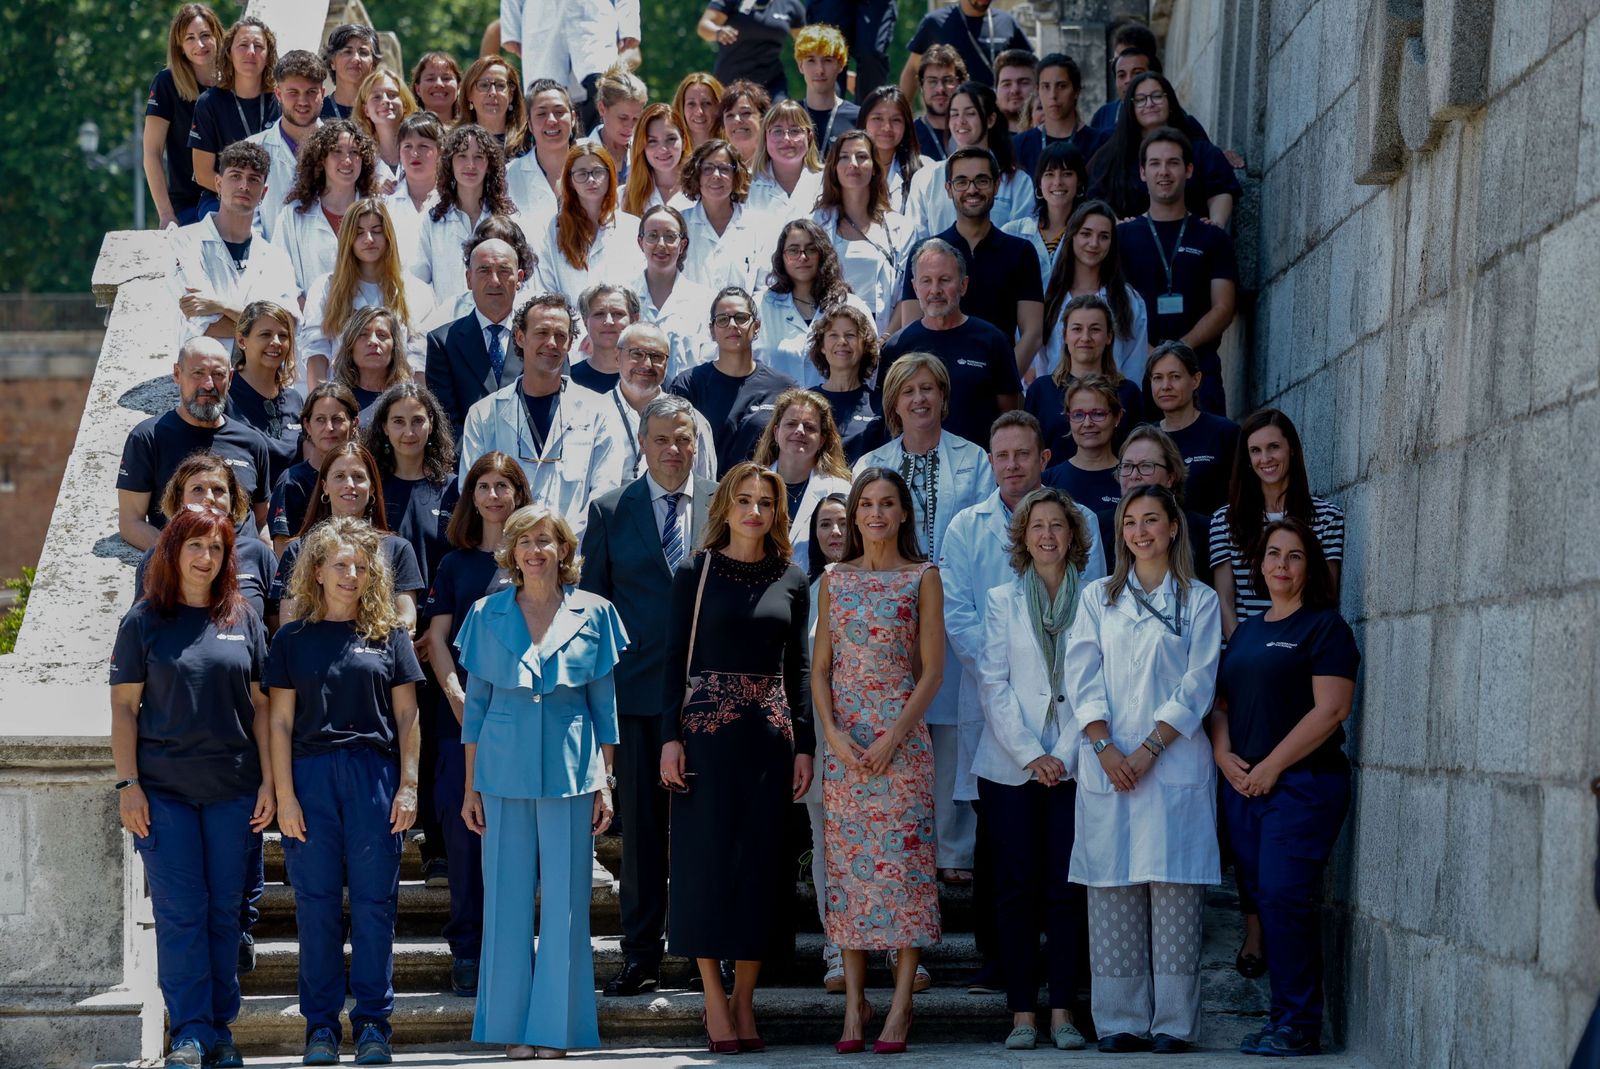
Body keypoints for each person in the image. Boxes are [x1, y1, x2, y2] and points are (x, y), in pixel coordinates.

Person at [939, 411, 1104, 995]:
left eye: (1022, 455)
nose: (1011, 466)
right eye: (1001, 456)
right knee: (1000, 853)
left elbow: (1098, 608)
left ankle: (1064, 978)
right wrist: (1003, 663)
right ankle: (1000, 966)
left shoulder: (1081, 522)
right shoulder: (965, 526)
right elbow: (956, 611)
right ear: (990, 462)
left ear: (1043, 460)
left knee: (1063, 864)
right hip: (997, 709)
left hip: (1074, 725)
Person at [453, 504, 626, 1058]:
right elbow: (475, 708)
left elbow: (606, 706)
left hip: (573, 774)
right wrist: (469, 787)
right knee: (503, 902)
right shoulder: (485, 612)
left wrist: (606, 781)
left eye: (545, 541)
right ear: (511, 551)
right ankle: (510, 1028)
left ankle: (558, 1030)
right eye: (524, 541)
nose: (534, 551)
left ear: (564, 550)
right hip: (500, 775)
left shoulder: (596, 613)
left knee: (568, 905)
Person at [658, 462, 814, 1053]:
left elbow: (798, 669)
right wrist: (670, 736)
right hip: (706, 736)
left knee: (760, 871)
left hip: (769, 741)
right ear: (724, 505)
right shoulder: (693, 572)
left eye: (766, 503)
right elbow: (675, 658)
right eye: (744, 500)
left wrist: (804, 744)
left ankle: (745, 1001)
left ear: (778, 512)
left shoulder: (792, 576)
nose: (755, 511)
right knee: (703, 866)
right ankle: (712, 1000)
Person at [1062, 484, 1222, 1055]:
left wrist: (1149, 749)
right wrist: (1105, 748)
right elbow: (1080, 678)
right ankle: (1120, 1021)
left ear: (1173, 527)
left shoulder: (1198, 600)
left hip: (1170, 760)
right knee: (1111, 889)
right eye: (1131, 522)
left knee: (1174, 888)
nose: (1141, 531)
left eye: (1152, 520)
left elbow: (1198, 683)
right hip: (1108, 763)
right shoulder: (1096, 599)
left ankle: (1174, 1024)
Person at [112, 505, 272, 1069]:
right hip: (165, 794)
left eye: (217, 548)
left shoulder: (244, 618)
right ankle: (189, 1030)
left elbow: (262, 708)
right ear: (172, 551)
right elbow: (125, 711)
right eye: (195, 547)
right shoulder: (144, 621)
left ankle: (220, 1029)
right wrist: (128, 784)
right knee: (182, 913)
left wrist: (271, 784)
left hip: (234, 789)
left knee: (226, 913)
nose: (206, 558)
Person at [266, 516, 424, 1067]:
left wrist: (409, 786)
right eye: (339, 564)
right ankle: (321, 1029)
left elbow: (408, 716)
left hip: (374, 777)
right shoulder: (291, 639)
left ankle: (375, 1025)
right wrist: (284, 797)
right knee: (315, 907)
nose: (350, 575)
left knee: (376, 905)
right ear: (316, 570)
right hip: (310, 778)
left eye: (360, 565)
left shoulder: (388, 635)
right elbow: (279, 724)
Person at [579, 395, 715, 997]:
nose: (673, 450)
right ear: (642, 442)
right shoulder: (611, 510)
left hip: (713, 695)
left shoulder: (723, 503)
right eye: (661, 439)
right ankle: (641, 956)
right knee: (639, 840)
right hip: (634, 699)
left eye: (683, 438)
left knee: (707, 831)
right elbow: (592, 610)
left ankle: (712, 951)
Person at [1209, 519, 1358, 1058]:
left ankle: (1299, 1024)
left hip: (1302, 786)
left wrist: (1271, 765)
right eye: (1273, 554)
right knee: (1263, 899)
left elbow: (1332, 709)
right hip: (1244, 787)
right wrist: (1223, 754)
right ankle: (1281, 1020)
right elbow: (1221, 704)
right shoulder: (1245, 632)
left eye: (1294, 556)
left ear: (1309, 567)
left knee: (1284, 897)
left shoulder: (1325, 629)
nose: (1281, 564)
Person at [811, 468, 943, 1054]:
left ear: (903, 513)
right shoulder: (833, 579)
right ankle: (854, 1009)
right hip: (846, 752)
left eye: (887, 504)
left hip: (903, 746)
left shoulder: (923, 577)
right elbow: (819, 670)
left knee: (906, 875)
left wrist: (893, 738)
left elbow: (933, 671)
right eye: (866, 503)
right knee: (849, 877)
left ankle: (901, 1005)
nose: (875, 514)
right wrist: (834, 739)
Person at [856, 353, 993, 888]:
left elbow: (984, 537)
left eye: (928, 389)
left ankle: (954, 847)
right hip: (892, 609)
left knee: (954, 728)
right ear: (893, 402)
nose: (919, 399)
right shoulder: (874, 462)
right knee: (899, 722)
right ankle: (906, 841)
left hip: (955, 606)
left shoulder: (975, 460)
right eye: (908, 390)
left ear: (943, 397)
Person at [973, 485, 1092, 1051]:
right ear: (1022, 538)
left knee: (1066, 890)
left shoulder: (1095, 598)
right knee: (1016, 889)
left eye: (1057, 526)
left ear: (1074, 536)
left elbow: (1096, 684)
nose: (1047, 535)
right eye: (1037, 526)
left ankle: (1064, 1011)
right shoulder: (1001, 599)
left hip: (1075, 766)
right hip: (1009, 767)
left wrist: (1062, 755)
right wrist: (1031, 754)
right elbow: (992, 683)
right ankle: (1022, 1012)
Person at [422, 452, 532, 1000]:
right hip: (459, 720)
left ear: (518, 494)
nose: (494, 496)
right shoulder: (454, 564)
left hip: (523, 721)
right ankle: (466, 948)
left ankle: (512, 948)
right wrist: (455, 693)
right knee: (465, 840)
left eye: (504, 486)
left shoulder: (532, 561)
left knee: (517, 839)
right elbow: (437, 637)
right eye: (484, 486)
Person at [456, 293, 627, 537]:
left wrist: (557, 543)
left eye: (560, 336)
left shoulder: (600, 412)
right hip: (504, 555)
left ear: (569, 343)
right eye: (542, 333)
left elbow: (604, 494)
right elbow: (473, 489)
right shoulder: (484, 414)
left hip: (575, 556)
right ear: (520, 337)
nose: (552, 343)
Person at [1117, 127, 1238, 415]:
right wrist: (1146, 352)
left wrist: (1179, 351)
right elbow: (1112, 301)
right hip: (1138, 370)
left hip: (1199, 369)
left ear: (1189, 170)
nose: (1164, 171)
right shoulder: (1121, 237)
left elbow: (1224, 307)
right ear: (1143, 172)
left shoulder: (1212, 237)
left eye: (1173, 163)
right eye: (1155, 163)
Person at [898, 147, 1043, 374]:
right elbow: (911, 330)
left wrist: (1003, 381)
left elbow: (1033, 334)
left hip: (999, 387)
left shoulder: (1021, 252)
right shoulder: (924, 253)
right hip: (936, 386)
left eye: (982, 181)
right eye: (961, 182)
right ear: (948, 189)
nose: (972, 189)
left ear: (996, 186)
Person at [118, 338, 271, 551]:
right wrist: (181, 558)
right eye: (198, 373)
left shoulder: (252, 442)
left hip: (246, 570)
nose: (208, 385)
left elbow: (262, 521)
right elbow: (130, 523)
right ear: (177, 374)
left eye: (218, 375)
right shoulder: (148, 438)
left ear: (230, 378)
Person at [1211, 408, 1345, 637]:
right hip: (1243, 653)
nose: (1265, 459)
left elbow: (1325, 597)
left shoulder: (1328, 517)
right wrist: (1244, 653)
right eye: (1255, 450)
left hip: (1301, 649)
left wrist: (1291, 653)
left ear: (1291, 449)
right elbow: (1225, 601)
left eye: (1273, 447)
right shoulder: (1224, 521)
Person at [880, 238, 1021, 448]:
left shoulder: (992, 341)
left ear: (963, 285)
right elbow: (888, 421)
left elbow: (1010, 417)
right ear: (915, 287)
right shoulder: (896, 347)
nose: (935, 290)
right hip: (914, 470)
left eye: (945, 279)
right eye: (926, 281)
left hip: (978, 471)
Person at [271, 442, 424, 632]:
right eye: (339, 476)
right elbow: (289, 624)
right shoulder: (298, 550)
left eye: (358, 477)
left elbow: (407, 621)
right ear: (325, 487)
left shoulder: (399, 549)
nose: (349, 485)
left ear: (373, 488)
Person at [169, 141, 298, 344]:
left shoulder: (276, 258)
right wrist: (263, 327)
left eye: (253, 179)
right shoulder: (184, 242)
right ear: (219, 184)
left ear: (263, 193)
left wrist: (222, 305)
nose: (244, 186)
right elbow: (204, 322)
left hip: (261, 375)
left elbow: (285, 325)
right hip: (207, 372)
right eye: (235, 176)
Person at [300, 198, 436, 385]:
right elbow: (316, 349)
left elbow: (418, 360)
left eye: (377, 231)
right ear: (348, 238)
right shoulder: (325, 287)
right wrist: (320, 405)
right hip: (341, 401)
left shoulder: (415, 291)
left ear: (389, 235)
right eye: (359, 233)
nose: (369, 239)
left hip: (394, 402)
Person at [668, 286, 797, 475]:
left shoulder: (783, 388)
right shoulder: (689, 384)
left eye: (741, 318)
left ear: (757, 327)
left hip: (762, 498)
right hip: (705, 496)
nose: (732, 325)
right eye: (722, 319)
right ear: (712, 331)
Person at [134, 452, 279, 619]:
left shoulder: (259, 555)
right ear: (180, 500)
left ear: (232, 501)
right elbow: (140, 623)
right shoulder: (156, 556)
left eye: (218, 490)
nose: (208, 498)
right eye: (197, 489)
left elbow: (276, 627)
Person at [1088, 72, 1240, 228]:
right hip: (1129, 244)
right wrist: (1117, 225)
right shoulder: (1112, 154)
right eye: (1140, 99)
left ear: (1170, 102)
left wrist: (1216, 225)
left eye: (1157, 96)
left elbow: (1220, 188)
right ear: (1131, 109)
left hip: (1192, 241)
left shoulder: (1199, 150)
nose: (1149, 104)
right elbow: (1096, 199)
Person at [426, 235, 527, 442]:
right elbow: (446, 423)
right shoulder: (443, 343)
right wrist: (479, 469)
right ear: (468, 278)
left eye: (504, 271)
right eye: (484, 271)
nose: (495, 281)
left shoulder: (540, 338)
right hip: (471, 467)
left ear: (519, 279)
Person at [1037, 199, 1149, 384]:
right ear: (1072, 236)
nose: (1094, 243)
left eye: (1104, 236)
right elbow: (1041, 364)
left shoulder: (1129, 300)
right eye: (1086, 234)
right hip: (1057, 404)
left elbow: (1134, 366)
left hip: (1112, 405)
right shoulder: (1048, 298)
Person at [811, 130, 912, 332]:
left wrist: (885, 340)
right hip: (830, 334)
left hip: (883, 333)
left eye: (862, 156)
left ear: (875, 167)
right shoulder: (816, 224)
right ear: (834, 168)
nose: (853, 164)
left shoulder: (900, 227)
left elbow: (906, 293)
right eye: (844, 157)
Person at [905, 85, 1034, 243]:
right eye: (954, 114)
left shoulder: (1018, 181)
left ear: (990, 119)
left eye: (970, 113)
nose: (961, 121)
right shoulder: (926, 178)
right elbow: (916, 240)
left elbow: (1021, 240)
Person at [411, 124, 520, 308]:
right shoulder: (433, 220)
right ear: (450, 163)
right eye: (462, 156)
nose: (471, 165)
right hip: (447, 326)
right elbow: (419, 280)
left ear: (489, 164)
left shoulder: (507, 219)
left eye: (479, 157)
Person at [365, 382, 458, 591]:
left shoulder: (453, 489)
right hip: (383, 614)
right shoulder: (369, 489)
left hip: (442, 616)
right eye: (399, 422)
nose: (409, 432)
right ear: (384, 427)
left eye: (417, 421)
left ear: (431, 424)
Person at [753, 219, 869, 386]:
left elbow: (870, 364)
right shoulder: (761, 306)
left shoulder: (851, 305)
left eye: (811, 249)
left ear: (823, 254)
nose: (802, 257)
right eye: (793, 250)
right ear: (782, 257)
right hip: (774, 408)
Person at [274, 119, 380, 299]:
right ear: (321, 159)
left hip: (368, 322)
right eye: (337, 152)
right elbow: (278, 275)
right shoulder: (293, 214)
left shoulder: (379, 211)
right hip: (311, 322)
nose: (347, 160)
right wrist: (306, 311)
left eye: (354, 152)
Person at [1026, 295, 1142, 458]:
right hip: (1054, 482)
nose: (1085, 338)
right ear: (1065, 336)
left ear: (1109, 337)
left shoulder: (1128, 392)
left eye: (1095, 329)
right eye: (1077, 329)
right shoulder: (1041, 390)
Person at [750, 388, 853, 565]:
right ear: (776, 432)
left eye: (809, 427)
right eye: (791, 424)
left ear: (821, 440)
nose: (799, 431)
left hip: (816, 590)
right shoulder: (749, 485)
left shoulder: (841, 490)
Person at [189, 16, 280, 214]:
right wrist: (242, 198)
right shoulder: (209, 103)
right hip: (221, 198)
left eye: (258, 46)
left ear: (268, 55)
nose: (251, 52)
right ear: (229, 52)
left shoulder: (281, 101)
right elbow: (203, 173)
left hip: (273, 198)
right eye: (243, 45)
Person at [1096, 425, 1211, 581]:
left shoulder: (1204, 531)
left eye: (1146, 466)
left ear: (1170, 477)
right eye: (1127, 466)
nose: (1134, 475)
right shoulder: (1098, 526)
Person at [532, 146, 645, 304]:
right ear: (570, 181)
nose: (591, 180)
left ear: (610, 175)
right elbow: (547, 284)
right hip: (570, 325)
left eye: (598, 172)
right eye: (582, 174)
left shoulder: (632, 227)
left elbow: (640, 286)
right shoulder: (556, 227)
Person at [144, 4, 223, 229]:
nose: (199, 45)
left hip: (232, 200)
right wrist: (166, 214)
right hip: (187, 207)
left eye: (205, 35)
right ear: (180, 46)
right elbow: (152, 153)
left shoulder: (233, 81)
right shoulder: (166, 84)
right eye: (190, 38)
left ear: (218, 36)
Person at [606, 324, 719, 480]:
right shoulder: (593, 415)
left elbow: (705, 489)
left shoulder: (691, 420)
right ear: (617, 357)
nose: (647, 364)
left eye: (657, 356)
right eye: (637, 354)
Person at [1146, 340, 1239, 516]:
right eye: (1158, 378)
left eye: (1175, 376)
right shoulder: (1145, 438)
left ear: (1195, 380)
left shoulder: (1225, 433)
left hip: (1212, 539)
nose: (1166, 386)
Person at [248, 51, 329, 242]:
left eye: (311, 92)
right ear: (278, 93)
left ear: (323, 94)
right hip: (270, 263)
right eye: (293, 92)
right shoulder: (253, 149)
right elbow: (247, 220)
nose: (303, 101)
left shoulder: (343, 149)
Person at [269, 383, 359, 552]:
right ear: (307, 426)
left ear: (354, 424)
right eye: (320, 420)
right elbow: (283, 551)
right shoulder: (292, 482)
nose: (329, 428)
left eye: (337, 419)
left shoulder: (365, 478)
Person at [631, 205, 718, 379]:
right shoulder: (624, 298)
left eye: (670, 237)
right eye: (652, 236)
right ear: (641, 242)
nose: (661, 244)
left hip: (687, 400)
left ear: (683, 244)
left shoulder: (705, 300)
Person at [225, 299, 303, 483]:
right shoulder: (223, 395)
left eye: (283, 336)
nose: (276, 342)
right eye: (265, 334)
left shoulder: (295, 399)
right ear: (242, 340)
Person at [1003, 139, 1087, 301]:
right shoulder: (1013, 232)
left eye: (1067, 174)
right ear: (1039, 183)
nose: (1058, 182)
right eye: (1049, 174)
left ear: (1080, 182)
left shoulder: (1089, 233)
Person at [678, 139, 767, 293]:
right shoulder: (679, 224)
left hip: (744, 315)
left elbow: (763, 287)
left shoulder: (758, 226)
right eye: (707, 168)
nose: (716, 175)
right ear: (696, 175)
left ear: (736, 175)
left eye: (724, 169)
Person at [899, 0, 1032, 99]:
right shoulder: (935, 22)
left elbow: (1030, 67)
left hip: (999, 116)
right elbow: (912, 70)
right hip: (955, 119)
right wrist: (905, 115)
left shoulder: (1007, 22)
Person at [808, 303, 885, 463]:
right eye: (833, 335)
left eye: (850, 335)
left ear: (865, 344)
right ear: (822, 346)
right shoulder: (805, 403)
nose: (842, 341)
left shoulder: (879, 404)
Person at [1042, 375, 1125, 512]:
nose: (1087, 423)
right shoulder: (1047, 481)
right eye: (1078, 415)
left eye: (1098, 414)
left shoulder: (1130, 477)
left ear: (1117, 417)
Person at [1012, 53, 1103, 177]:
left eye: (1061, 86)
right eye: (1046, 87)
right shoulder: (1018, 145)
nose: (1053, 95)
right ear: (1038, 90)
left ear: (1076, 91)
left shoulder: (1100, 144)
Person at [699, 0, 805, 102]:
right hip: (731, 83)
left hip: (772, 83)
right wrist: (718, 32)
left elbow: (807, 43)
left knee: (781, 116)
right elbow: (703, 27)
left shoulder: (789, 4)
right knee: (737, 117)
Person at [745, 99, 827, 229]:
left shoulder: (828, 182)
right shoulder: (747, 183)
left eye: (795, 130)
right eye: (777, 131)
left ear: (809, 136)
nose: (786, 139)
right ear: (765, 137)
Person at [504, 79, 576, 220]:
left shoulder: (594, 168)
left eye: (559, 111)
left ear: (573, 118)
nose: (551, 120)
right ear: (529, 124)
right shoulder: (509, 176)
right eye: (541, 114)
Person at [856, 86, 930, 218]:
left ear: (906, 126)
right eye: (877, 119)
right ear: (864, 121)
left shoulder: (925, 169)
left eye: (896, 120)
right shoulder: (845, 168)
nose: (886, 127)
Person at [329, 306, 415, 417]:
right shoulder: (333, 399)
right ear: (350, 346)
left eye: (382, 335)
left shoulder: (409, 398)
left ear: (394, 347)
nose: (373, 341)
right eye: (363, 334)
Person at [792, 24, 860, 150]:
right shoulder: (786, 117)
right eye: (811, 61)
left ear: (841, 65)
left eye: (827, 60)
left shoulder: (859, 118)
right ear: (800, 66)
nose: (820, 70)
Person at [354, 68, 419, 191]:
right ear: (366, 110)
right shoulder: (357, 157)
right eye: (376, 97)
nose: (385, 101)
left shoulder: (424, 148)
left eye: (392, 95)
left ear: (404, 104)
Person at [622, 103, 691, 215]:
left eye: (671, 139)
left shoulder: (703, 191)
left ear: (684, 142)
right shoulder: (623, 197)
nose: (663, 149)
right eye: (652, 141)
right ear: (641, 146)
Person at [571, 283, 640, 393]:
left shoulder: (650, 379)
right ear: (585, 322)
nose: (608, 321)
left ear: (634, 319)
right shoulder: (570, 381)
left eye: (617, 313)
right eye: (599, 314)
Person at [460, 54, 530, 159]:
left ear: (511, 95)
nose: (492, 93)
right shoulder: (455, 143)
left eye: (500, 85)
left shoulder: (529, 141)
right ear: (469, 94)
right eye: (484, 85)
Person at [586, 65, 648, 182]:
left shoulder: (647, 151)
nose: (630, 126)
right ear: (602, 109)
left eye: (636, 119)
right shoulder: (578, 154)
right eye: (623, 118)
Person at [908, 45, 967, 161]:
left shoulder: (975, 132)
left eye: (948, 80)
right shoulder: (908, 136)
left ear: (961, 83)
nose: (940, 89)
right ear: (921, 86)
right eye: (932, 81)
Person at [388, 111, 445, 222]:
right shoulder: (386, 200)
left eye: (423, 146)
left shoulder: (456, 200)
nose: (414, 153)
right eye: (407, 146)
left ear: (440, 151)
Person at [320, 24, 378, 120]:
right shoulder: (316, 112)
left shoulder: (382, 111)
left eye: (363, 52)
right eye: (347, 52)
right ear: (332, 62)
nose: (356, 59)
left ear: (373, 64)